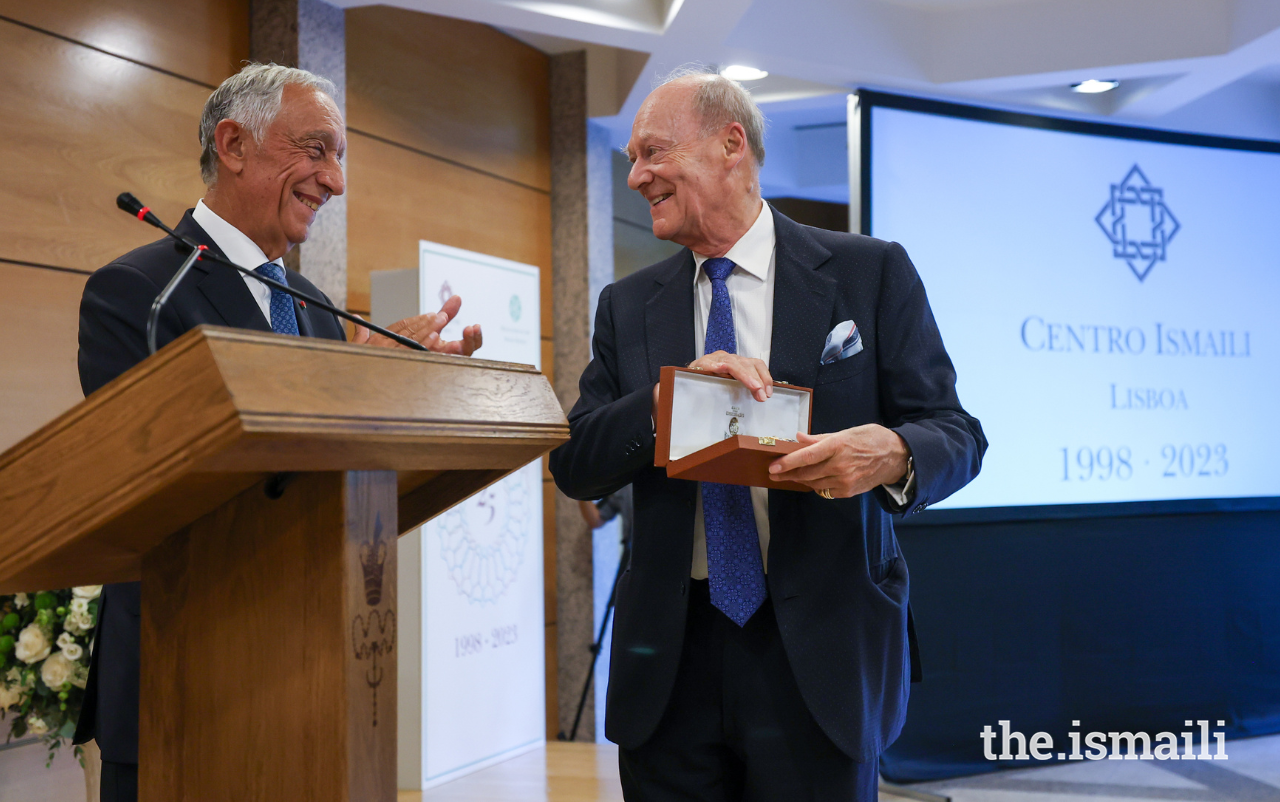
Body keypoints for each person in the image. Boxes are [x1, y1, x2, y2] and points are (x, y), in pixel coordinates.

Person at [549, 69, 986, 801]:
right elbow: (576, 463)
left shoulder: (868, 274)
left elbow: (956, 432)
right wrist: (671, 398)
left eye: (652, 153)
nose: (637, 177)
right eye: (631, 160)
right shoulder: (628, 306)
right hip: (671, 662)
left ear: (730, 145)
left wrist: (892, 455)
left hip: (820, 658)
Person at [74, 63, 482, 802]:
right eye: (317, 150)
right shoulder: (137, 292)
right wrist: (344, 382)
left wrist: (402, 389)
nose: (336, 181)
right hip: (185, 677)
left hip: (311, 672)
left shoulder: (317, 305)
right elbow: (148, 485)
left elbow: (328, 467)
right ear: (233, 145)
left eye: (340, 157)